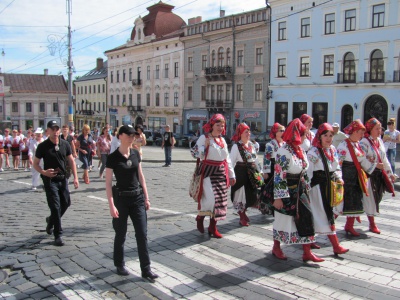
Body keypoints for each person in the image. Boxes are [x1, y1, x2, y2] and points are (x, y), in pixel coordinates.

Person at [105, 125, 158, 281]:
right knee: (120, 234)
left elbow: (141, 177)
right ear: (120, 136)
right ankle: (119, 263)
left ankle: (146, 269)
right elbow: (108, 183)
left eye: (133, 135)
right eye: (128, 135)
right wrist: (111, 205)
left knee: (142, 234)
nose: (132, 137)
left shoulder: (135, 153)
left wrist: (146, 197)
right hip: (121, 199)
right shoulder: (113, 157)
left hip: (137, 199)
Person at [272, 118, 323, 262]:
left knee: (306, 217)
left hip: (300, 190)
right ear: (296, 134)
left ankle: (307, 252)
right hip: (287, 190)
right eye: (303, 134)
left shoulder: (299, 149)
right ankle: (276, 247)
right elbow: (279, 174)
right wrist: (278, 197)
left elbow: (304, 170)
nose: (306, 137)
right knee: (284, 220)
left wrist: (307, 187)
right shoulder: (284, 151)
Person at [33, 120, 79, 246]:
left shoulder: (65, 144)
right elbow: (35, 164)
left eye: (56, 129)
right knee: (55, 206)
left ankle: (51, 220)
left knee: (66, 203)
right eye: (52, 129)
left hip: (62, 178)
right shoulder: (43, 146)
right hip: (50, 180)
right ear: (47, 131)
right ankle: (58, 234)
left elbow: (71, 161)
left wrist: (76, 177)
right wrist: (43, 172)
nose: (55, 132)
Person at [191, 114, 236, 238]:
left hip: (221, 172)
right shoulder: (204, 138)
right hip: (208, 172)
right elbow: (194, 153)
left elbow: (227, 159)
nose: (221, 128)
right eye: (218, 125)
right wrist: (204, 147)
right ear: (211, 125)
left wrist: (232, 175)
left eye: (222, 125)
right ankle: (200, 217)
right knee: (210, 200)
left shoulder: (222, 140)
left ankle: (212, 227)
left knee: (220, 201)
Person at [307, 123, 349, 256]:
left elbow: (336, 167)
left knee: (320, 216)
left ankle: (309, 243)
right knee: (324, 216)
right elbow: (308, 172)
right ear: (319, 136)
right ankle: (335, 246)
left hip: (329, 186)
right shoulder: (313, 152)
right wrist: (306, 189)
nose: (329, 138)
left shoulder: (332, 150)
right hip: (317, 189)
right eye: (325, 135)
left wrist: (338, 177)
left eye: (331, 135)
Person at [336, 119, 381, 236]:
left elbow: (363, 161)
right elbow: (338, 163)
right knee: (341, 202)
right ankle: (328, 225)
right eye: (360, 132)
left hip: (356, 177)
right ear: (354, 132)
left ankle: (349, 226)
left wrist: (374, 166)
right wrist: (338, 178)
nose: (362, 135)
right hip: (346, 176)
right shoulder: (343, 145)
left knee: (354, 201)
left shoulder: (356, 144)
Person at [360, 118, 395, 234]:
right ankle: (372, 223)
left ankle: (350, 223)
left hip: (378, 176)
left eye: (380, 128)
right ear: (370, 129)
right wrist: (375, 165)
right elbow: (362, 159)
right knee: (371, 200)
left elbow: (384, 158)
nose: (379, 131)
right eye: (377, 128)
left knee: (376, 198)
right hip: (369, 176)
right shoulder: (364, 142)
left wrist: (390, 173)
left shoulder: (379, 141)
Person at [229, 123, 263, 226]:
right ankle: (241, 215)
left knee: (250, 194)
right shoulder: (236, 146)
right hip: (241, 172)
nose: (248, 133)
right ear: (240, 134)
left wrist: (260, 172)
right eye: (246, 132)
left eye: (249, 131)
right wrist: (231, 175)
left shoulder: (251, 145)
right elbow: (231, 161)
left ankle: (244, 212)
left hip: (251, 173)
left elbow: (256, 160)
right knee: (241, 195)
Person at [260, 123, 285, 215]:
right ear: (275, 132)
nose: (283, 132)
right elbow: (267, 158)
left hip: (281, 166)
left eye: (283, 130)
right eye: (281, 130)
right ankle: (270, 207)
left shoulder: (284, 143)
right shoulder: (270, 144)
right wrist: (266, 171)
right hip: (272, 167)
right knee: (271, 188)